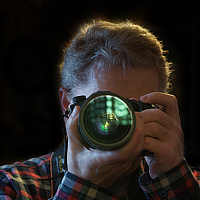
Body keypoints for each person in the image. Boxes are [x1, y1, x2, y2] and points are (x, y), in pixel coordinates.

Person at [0, 20, 200, 200]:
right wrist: (84, 184)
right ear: (67, 104)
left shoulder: (189, 184)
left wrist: (172, 177)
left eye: (137, 107)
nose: (119, 120)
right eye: (105, 105)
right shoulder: (12, 186)